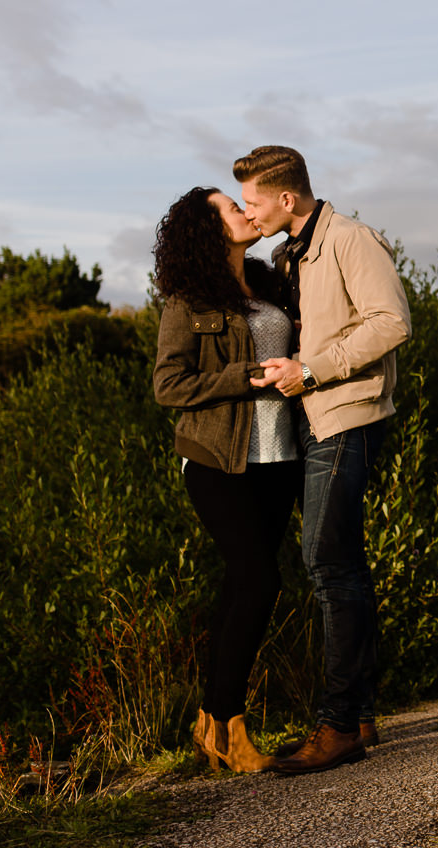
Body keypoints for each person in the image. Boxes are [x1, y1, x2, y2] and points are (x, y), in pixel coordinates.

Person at [235, 145, 413, 775]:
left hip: (349, 417)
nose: (248, 212)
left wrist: (309, 368)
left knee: (327, 564)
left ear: (286, 198)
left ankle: (337, 725)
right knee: (343, 567)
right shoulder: (289, 253)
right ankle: (359, 716)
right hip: (315, 421)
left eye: (253, 200)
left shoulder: (351, 239)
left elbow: (392, 322)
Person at [152, 186, 300, 773]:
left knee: (240, 588)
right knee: (261, 582)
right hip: (217, 460)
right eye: (230, 208)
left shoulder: (270, 288)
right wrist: (244, 376)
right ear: (207, 230)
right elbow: (169, 387)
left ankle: (209, 726)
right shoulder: (186, 302)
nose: (244, 211)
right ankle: (230, 727)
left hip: (279, 458)